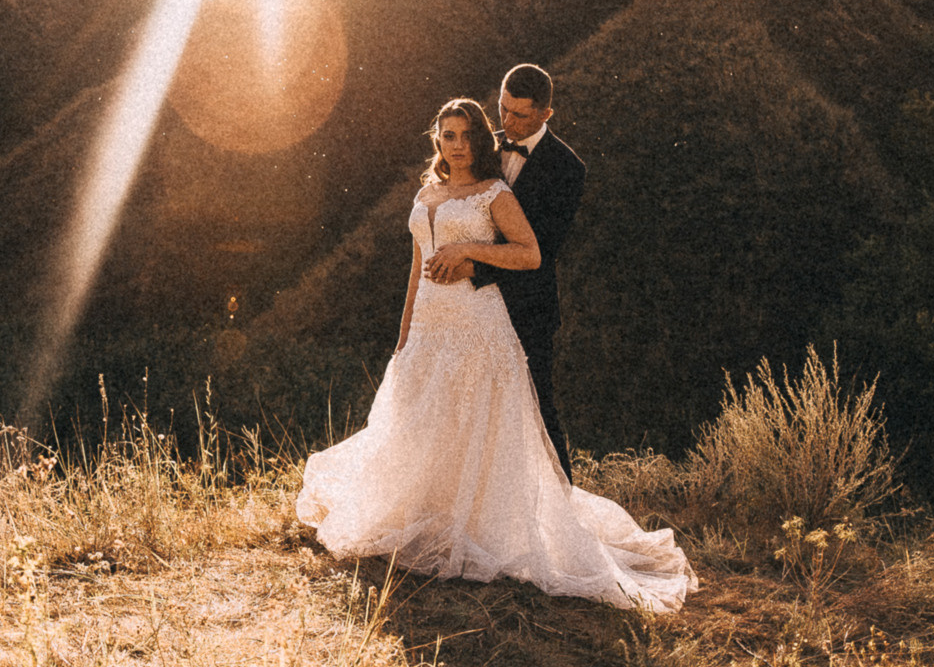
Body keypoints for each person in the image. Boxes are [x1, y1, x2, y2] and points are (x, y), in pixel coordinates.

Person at [295, 97, 695, 612]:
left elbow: (529, 254)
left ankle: (481, 524)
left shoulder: (494, 192)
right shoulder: (426, 192)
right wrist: (404, 333)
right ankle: (430, 513)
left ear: (479, 141)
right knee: (424, 421)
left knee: (475, 423)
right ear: (437, 139)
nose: (457, 145)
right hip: (429, 325)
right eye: (448, 135)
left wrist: (469, 251)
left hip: (477, 320)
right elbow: (416, 268)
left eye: (465, 136)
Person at [449, 64, 583, 479]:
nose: (506, 123)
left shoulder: (567, 169)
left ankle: (564, 503)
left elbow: (540, 249)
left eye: (519, 115)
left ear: (546, 114)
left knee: (537, 406)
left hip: (528, 307)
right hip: (470, 306)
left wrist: (474, 266)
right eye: (503, 110)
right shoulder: (485, 147)